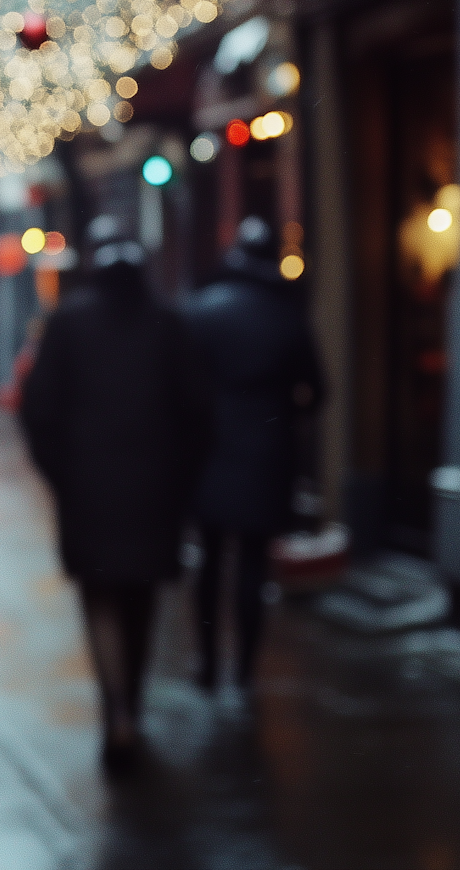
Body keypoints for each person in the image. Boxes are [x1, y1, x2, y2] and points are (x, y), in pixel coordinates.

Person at [19, 216, 209, 771]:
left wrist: (63, 474)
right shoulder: (167, 322)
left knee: (100, 598)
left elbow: (38, 411)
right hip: (155, 492)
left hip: (89, 491)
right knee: (142, 600)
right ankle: (132, 709)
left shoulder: (68, 323)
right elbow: (199, 413)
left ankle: (118, 713)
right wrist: (180, 481)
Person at [185, 216, 324, 694]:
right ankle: (243, 667)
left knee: (208, 563)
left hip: (208, 453)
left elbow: (180, 388)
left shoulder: (201, 310)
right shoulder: (286, 315)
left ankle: (206, 664)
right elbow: (318, 390)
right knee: (251, 566)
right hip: (266, 456)